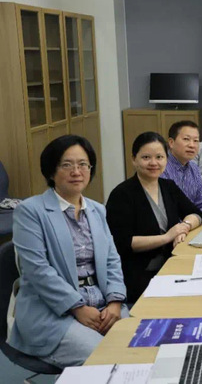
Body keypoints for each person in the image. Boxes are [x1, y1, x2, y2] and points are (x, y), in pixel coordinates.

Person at [10, 135, 127, 367]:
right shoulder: (30, 211)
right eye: (67, 165)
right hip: (52, 311)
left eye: (83, 164)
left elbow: (112, 260)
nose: (76, 172)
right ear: (51, 171)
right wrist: (77, 307)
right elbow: (38, 271)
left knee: (143, 344)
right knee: (106, 357)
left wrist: (115, 300)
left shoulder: (97, 210)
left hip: (102, 303)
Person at [106, 132, 202, 303]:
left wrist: (184, 227)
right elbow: (123, 243)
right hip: (140, 274)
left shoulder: (168, 186)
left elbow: (196, 213)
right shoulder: (121, 194)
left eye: (159, 157)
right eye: (146, 157)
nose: (153, 163)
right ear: (134, 159)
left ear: (166, 159)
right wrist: (167, 237)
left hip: (173, 263)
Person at [160, 121, 202, 211]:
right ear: (171, 142)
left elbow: (201, 203)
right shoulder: (161, 168)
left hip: (194, 218)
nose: (192, 145)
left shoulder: (194, 168)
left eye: (196, 141)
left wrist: (197, 217)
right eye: (186, 139)